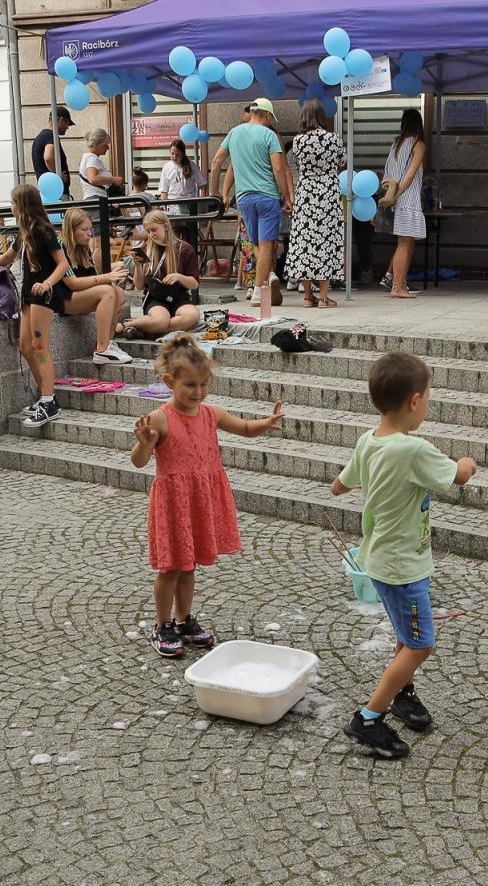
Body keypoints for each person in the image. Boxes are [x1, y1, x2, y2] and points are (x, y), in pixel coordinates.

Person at [331, 352, 477, 759]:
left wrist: (340, 490)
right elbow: (458, 476)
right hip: (403, 568)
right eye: (428, 397)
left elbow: (341, 483)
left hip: (381, 560)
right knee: (420, 644)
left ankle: (402, 692)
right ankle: (369, 718)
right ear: (414, 401)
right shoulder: (413, 450)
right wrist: (466, 463)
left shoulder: (369, 440)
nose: (428, 403)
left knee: (404, 633)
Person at [131, 334, 283, 657]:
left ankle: (184, 620)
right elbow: (139, 461)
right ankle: (162, 626)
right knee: (170, 567)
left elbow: (242, 427)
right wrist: (145, 443)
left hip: (197, 501)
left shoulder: (211, 413)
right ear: (169, 382)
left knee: (188, 567)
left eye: (203, 384)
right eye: (190, 385)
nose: (198, 392)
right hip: (174, 503)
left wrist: (266, 423)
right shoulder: (161, 418)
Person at [0, 183, 70, 428]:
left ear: (23, 205)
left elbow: (62, 263)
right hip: (29, 294)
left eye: (14, 202)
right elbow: (9, 257)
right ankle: (46, 396)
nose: (11, 207)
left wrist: (47, 283)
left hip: (43, 294)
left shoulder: (44, 231)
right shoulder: (24, 231)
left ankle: (48, 401)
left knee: (39, 346)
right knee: (26, 346)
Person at [209, 98, 292, 320]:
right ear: (266, 115)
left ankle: (268, 276)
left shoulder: (234, 133)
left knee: (255, 243)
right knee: (266, 245)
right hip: (267, 196)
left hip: (244, 198)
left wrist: (215, 192)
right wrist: (284, 195)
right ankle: (258, 290)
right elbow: (278, 169)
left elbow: (217, 162)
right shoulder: (269, 136)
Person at [284, 99, 345, 309]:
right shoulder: (334, 139)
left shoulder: (298, 141)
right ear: (322, 116)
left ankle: (308, 296)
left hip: (306, 193)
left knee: (304, 244)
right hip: (328, 193)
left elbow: (299, 164)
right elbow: (342, 162)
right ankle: (323, 297)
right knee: (327, 242)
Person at [58, 207, 131, 364]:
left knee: (117, 291)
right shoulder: (60, 247)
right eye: (84, 230)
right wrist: (105, 277)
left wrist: (114, 277)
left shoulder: (83, 248)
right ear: (71, 230)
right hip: (62, 299)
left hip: (78, 296)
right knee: (107, 292)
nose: (89, 234)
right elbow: (72, 284)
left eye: (90, 229)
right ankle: (102, 349)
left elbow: (91, 277)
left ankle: (108, 342)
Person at [122, 209, 202, 338]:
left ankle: (147, 330)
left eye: (154, 230)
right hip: (155, 298)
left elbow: (194, 284)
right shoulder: (145, 249)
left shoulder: (184, 249)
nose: (151, 235)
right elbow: (139, 286)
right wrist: (137, 265)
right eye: (148, 231)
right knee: (160, 320)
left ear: (165, 226)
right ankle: (126, 325)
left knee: (192, 316)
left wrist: (179, 276)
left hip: (179, 297)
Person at [380, 109, 427, 299]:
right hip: (407, 198)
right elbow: (411, 173)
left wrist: (388, 199)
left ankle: (402, 284)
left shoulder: (396, 145)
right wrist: (399, 194)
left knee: (405, 243)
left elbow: (387, 173)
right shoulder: (419, 144)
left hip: (392, 199)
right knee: (404, 244)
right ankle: (397, 286)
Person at [159, 137, 202, 245]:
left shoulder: (191, 165)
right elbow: (164, 189)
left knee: (190, 234)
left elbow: (202, 184)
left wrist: (202, 200)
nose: (174, 157)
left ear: (183, 154)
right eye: (172, 154)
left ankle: (191, 252)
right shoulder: (167, 167)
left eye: (177, 154)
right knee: (175, 234)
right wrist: (163, 204)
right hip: (173, 206)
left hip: (189, 206)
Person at [79, 128, 123, 203]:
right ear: (96, 144)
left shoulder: (88, 158)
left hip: (94, 198)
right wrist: (114, 180)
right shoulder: (92, 158)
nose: (108, 148)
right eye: (105, 145)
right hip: (96, 199)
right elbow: (93, 179)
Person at [31, 106, 73, 182]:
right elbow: (48, 157)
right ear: (61, 120)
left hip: (46, 188)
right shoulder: (51, 136)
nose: (67, 127)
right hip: (57, 190)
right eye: (67, 123)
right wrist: (57, 176)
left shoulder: (40, 137)